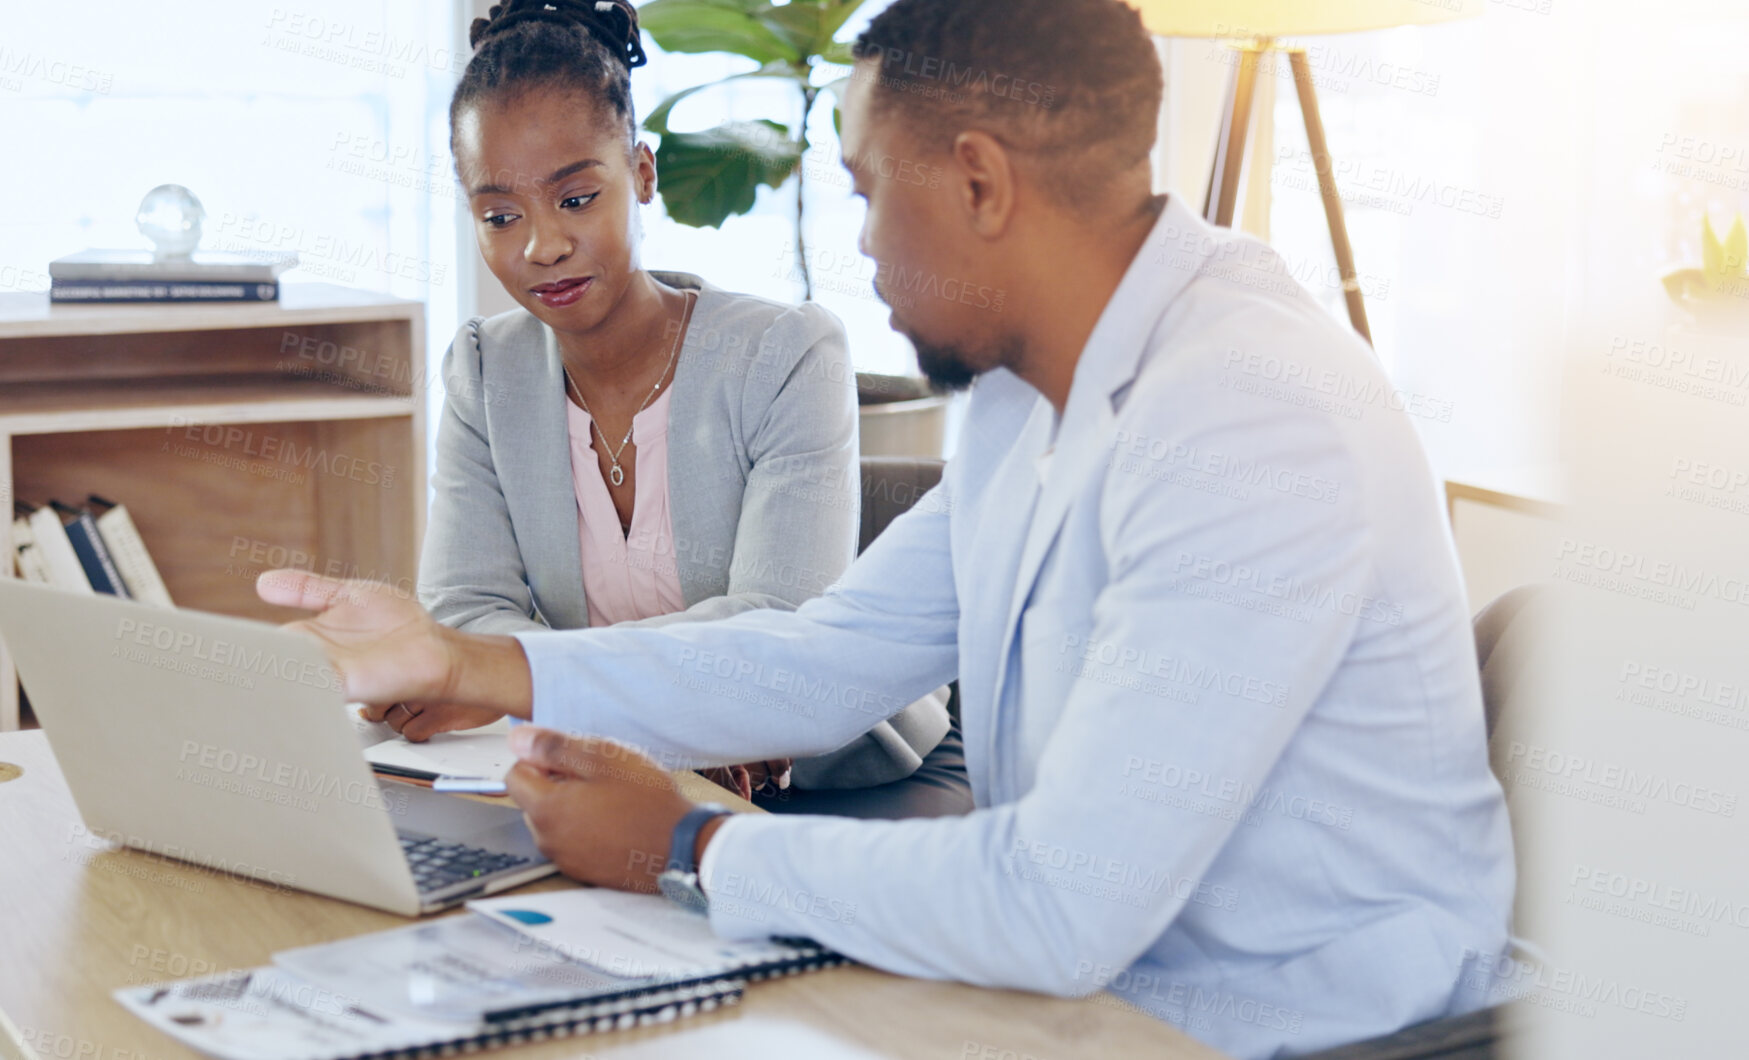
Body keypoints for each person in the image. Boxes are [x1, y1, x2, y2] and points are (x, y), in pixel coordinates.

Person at [259, 0, 1515, 1055]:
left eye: (866, 196)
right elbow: (824, 660)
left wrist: (692, 847)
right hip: (1098, 989)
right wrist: (462, 660)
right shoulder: (1033, 391)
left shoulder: (1249, 419)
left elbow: (1057, 902)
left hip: (1315, 1027)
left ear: (978, 182)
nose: (858, 249)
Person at [421, 0, 961, 809]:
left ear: (642, 172)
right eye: (501, 216)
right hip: (593, 759)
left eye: (575, 199)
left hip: (813, 766)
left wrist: (523, 679)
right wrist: (634, 725)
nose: (542, 246)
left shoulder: (787, 353)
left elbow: (778, 622)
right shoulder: (482, 372)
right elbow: (465, 613)